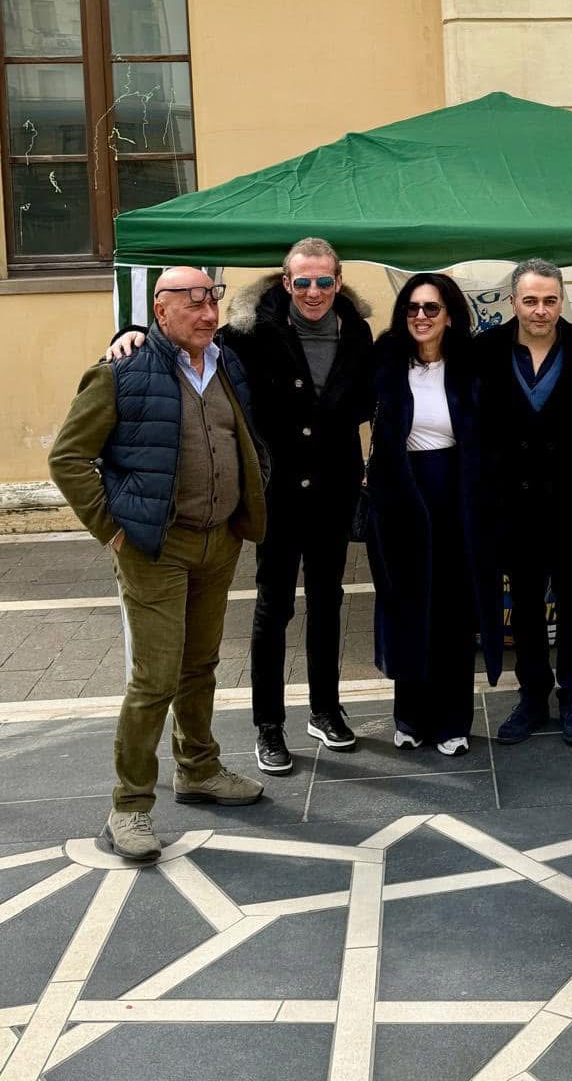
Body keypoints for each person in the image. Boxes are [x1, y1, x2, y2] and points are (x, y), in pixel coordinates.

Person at [106, 238, 375, 777]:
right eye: (302, 282)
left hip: (332, 489)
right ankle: (268, 726)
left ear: (339, 282)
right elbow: (186, 339)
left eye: (324, 281)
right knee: (274, 607)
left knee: (328, 600)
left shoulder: (359, 333)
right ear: (284, 281)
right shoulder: (249, 332)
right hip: (274, 493)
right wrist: (127, 333)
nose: (313, 292)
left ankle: (325, 710)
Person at [49, 267, 268, 863]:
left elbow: (246, 439)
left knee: (201, 666)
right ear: (160, 310)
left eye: (212, 299)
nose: (206, 312)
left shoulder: (227, 367)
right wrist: (113, 530)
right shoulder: (123, 371)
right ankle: (129, 806)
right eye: (192, 301)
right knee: (154, 679)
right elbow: (68, 458)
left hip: (218, 543)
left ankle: (198, 769)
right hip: (154, 549)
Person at [366, 273, 503, 755]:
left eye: (432, 308)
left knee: (453, 611)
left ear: (450, 315)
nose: (421, 317)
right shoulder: (384, 359)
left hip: (459, 497)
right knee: (407, 606)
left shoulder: (474, 362)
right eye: (412, 308)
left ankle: (452, 722)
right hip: (403, 497)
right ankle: (409, 716)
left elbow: (538, 335)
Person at [474, 259, 572, 748]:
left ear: (561, 300)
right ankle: (532, 698)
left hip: (570, 500)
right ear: (513, 302)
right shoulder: (485, 350)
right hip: (511, 503)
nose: (540, 310)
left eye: (550, 300)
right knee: (526, 606)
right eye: (530, 300)